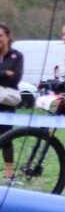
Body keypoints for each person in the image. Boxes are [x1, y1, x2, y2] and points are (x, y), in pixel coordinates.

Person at [0, 22, 25, 180]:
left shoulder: (17, 56)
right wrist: (5, 73)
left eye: (0, 35)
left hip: (7, 102)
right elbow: (9, 75)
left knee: (6, 137)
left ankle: (9, 175)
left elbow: (16, 78)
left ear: (8, 37)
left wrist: (9, 75)